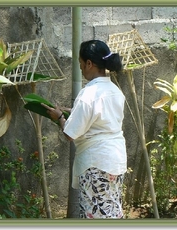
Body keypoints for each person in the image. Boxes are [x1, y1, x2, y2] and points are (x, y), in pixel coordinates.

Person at [41, 39, 127, 219]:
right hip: (116, 160)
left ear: (89, 63)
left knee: (95, 215)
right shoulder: (114, 90)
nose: (80, 68)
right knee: (110, 210)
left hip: (96, 163)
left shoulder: (88, 94)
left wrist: (60, 117)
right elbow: (102, 119)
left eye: (80, 64)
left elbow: (70, 134)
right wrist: (74, 111)